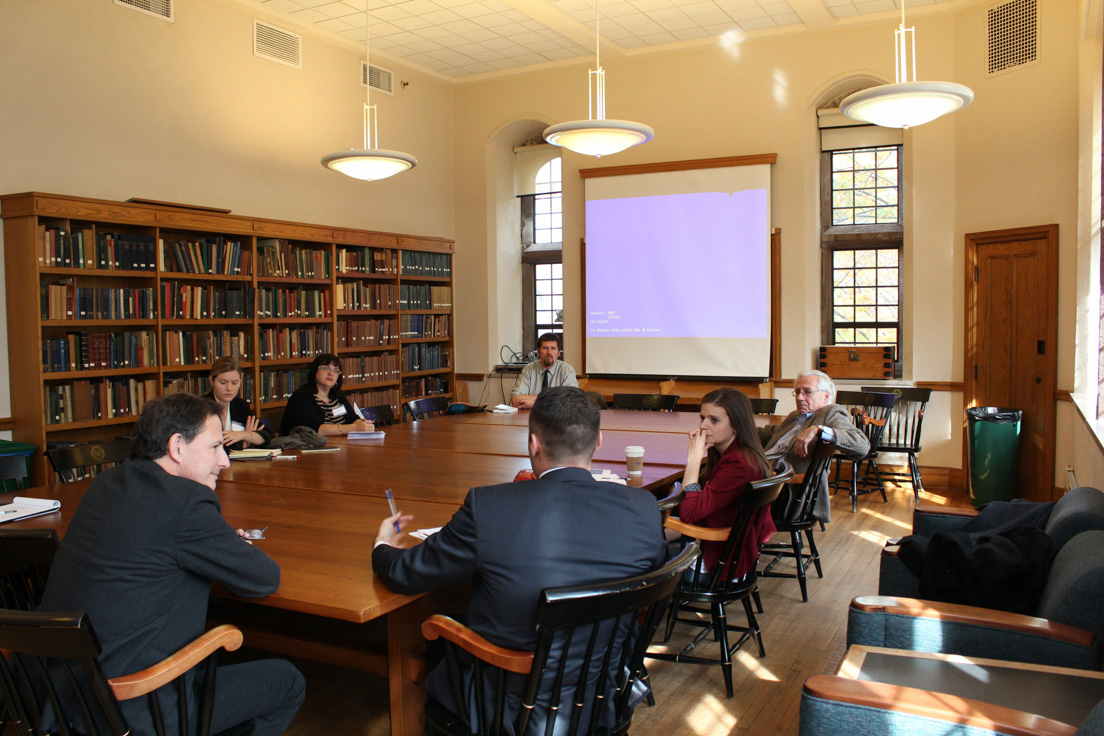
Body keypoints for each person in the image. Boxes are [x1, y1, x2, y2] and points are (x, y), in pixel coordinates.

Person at [373, 386, 665, 733]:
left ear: (533, 444)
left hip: (509, 705)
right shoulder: (643, 508)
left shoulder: (489, 507)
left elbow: (406, 573)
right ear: (598, 442)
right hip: (603, 695)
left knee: (440, 631)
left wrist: (382, 544)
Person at [37, 393, 305, 735]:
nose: (224, 460)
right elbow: (264, 579)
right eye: (214, 447)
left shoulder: (108, 482)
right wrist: (218, 541)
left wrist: (213, 541)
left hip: (62, 696)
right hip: (132, 704)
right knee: (287, 682)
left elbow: (154, 540)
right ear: (177, 446)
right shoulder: (186, 502)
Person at [678, 387, 774, 579]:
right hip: (720, 542)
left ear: (736, 426)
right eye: (702, 418)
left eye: (714, 420)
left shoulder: (739, 464)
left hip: (720, 558)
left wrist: (694, 460)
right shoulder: (737, 453)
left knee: (640, 554)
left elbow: (689, 514)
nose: (704, 425)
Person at [757, 369, 870, 523]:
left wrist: (819, 430)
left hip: (784, 492)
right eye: (797, 392)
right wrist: (734, 428)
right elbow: (773, 433)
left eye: (807, 392)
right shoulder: (795, 416)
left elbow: (862, 445)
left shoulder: (831, 412)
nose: (800, 397)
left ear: (826, 396)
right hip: (764, 479)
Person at [280, 353, 374, 436]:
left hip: (338, 446)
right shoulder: (302, 397)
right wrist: (354, 428)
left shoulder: (338, 397)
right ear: (315, 371)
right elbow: (317, 430)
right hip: (304, 450)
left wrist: (362, 425)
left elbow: (352, 419)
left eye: (336, 370)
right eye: (326, 368)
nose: (331, 373)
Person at [205, 355, 272, 451]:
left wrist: (244, 435)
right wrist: (243, 443)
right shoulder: (201, 407)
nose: (229, 388)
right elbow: (209, 445)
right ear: (212, 381)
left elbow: (267, 436)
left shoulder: (240, 405)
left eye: (234, 383)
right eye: (223, 383)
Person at [510, 333, 578, 409]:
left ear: (558, 352)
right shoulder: (528, 369)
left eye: (553, 348)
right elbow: (516, 399)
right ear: (538, 352)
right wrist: (552, 399)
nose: (549, 352)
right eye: (545, 348)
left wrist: (534, 404)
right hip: (530, 417)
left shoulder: (567, 370)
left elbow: (570, 401)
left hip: (557, 418)